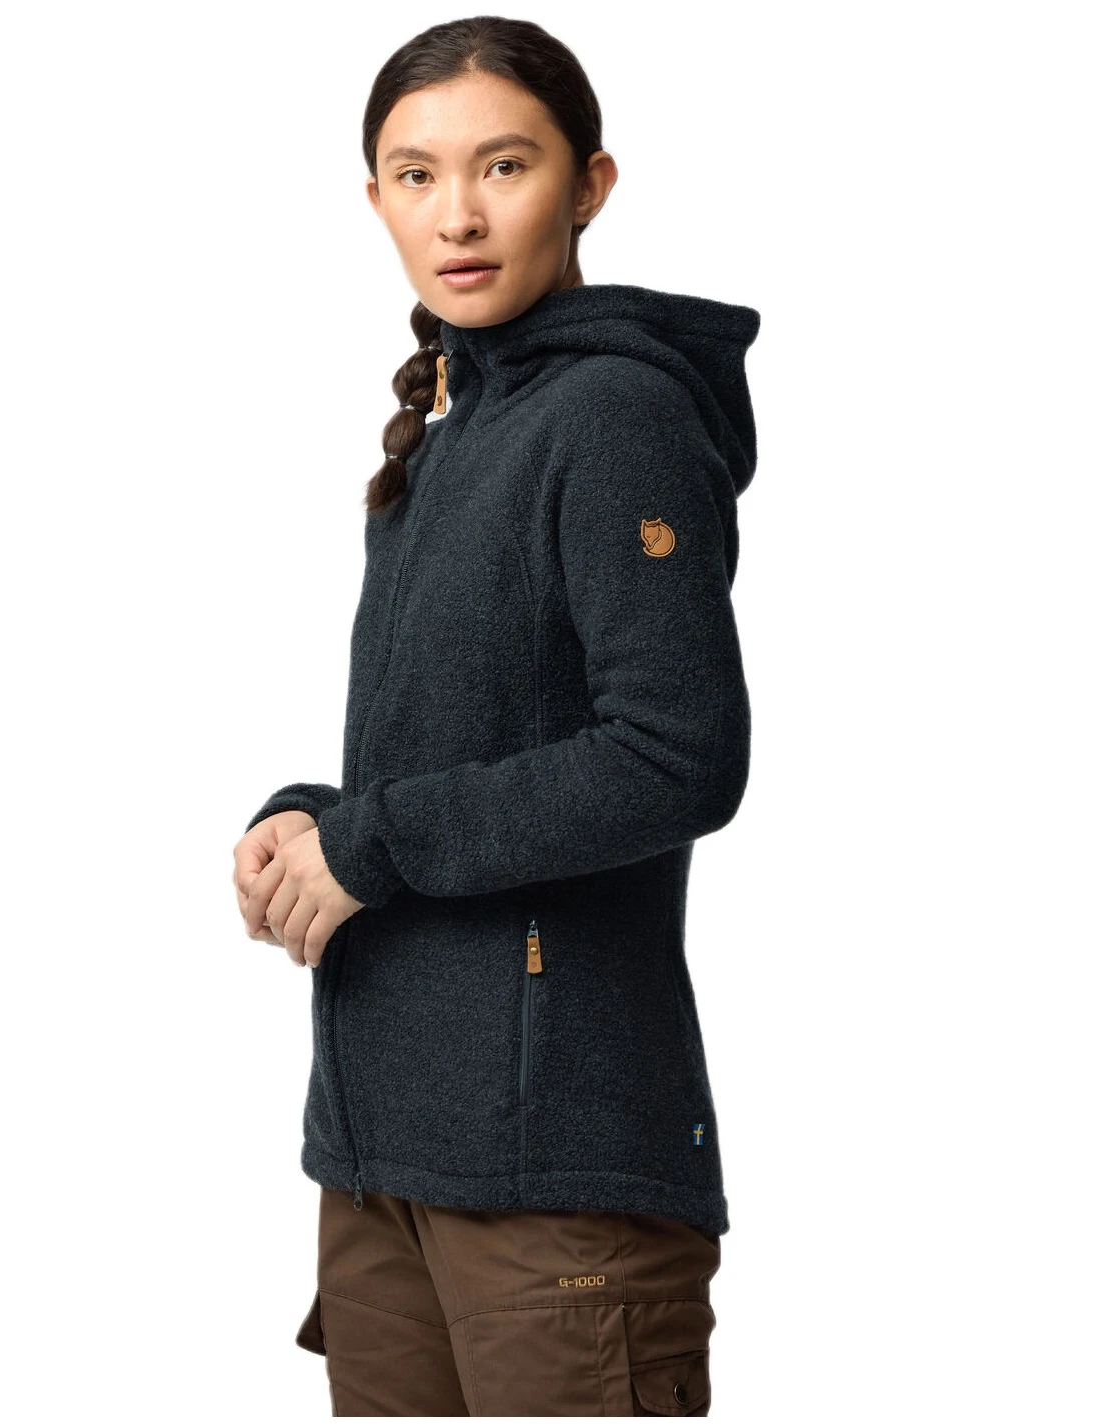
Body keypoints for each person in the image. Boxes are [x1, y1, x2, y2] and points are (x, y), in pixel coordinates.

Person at [232, 16, 761, 1416]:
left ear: (590, 185)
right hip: (387, 1157)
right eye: (417, 175)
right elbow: (477, 751)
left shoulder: (616, 416)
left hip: (556, 1171)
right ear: (376, 199)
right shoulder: (454, 432)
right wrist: (315, 822)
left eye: (504, 166)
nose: (457, 215)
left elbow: (677, 755)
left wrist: (374, 845)